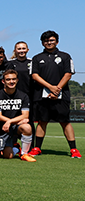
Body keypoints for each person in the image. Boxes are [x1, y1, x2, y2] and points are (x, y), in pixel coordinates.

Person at [29, 30, 78, 158]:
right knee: (42, 121)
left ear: (57, 41)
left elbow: (68, 73)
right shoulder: (37, 58)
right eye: (46, 41)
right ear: (42, 43)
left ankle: (73, 150)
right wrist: (50, 87)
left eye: (51, 40)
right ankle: (37, 148)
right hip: (42, 95)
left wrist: (58, 89)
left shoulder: (65, 56)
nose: (49, 43)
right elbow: (34, 75)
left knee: (65, 122)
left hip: (62, 95)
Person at [0, 69, 35, 161]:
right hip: (3, 127)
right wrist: (14, 122)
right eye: (8, 80)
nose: (11, 82)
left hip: (14, 125)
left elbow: (25, 116)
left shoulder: (23, 96)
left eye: (13, 79)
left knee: (27, 127)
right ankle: (16, 147)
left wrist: (10, 121)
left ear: (17, 80)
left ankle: (24, 154)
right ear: (3, 81)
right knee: (7, 156)